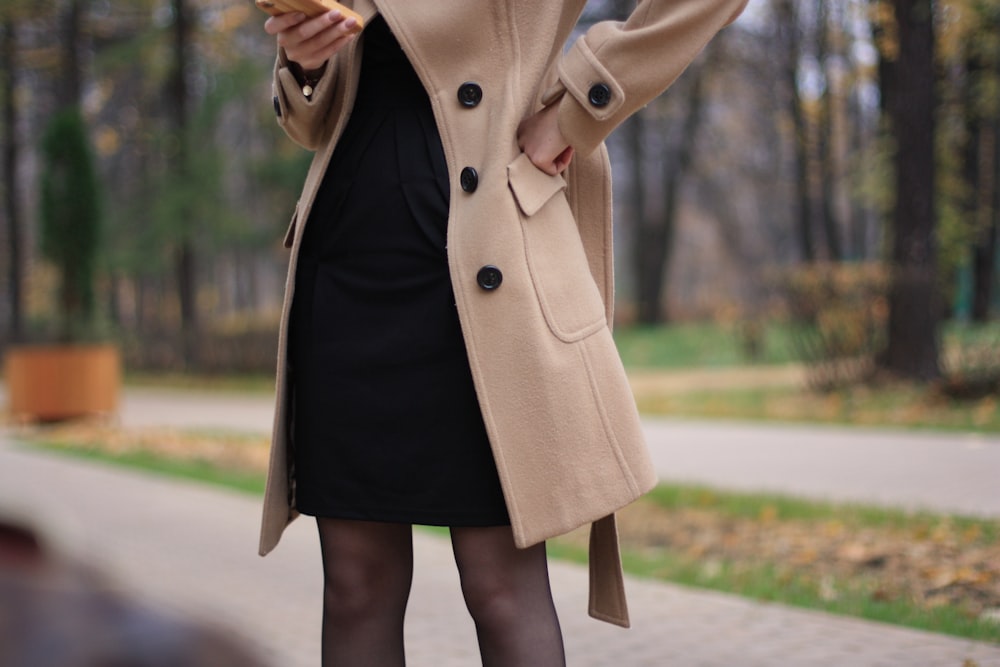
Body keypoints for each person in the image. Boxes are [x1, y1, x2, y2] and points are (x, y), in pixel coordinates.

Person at [258, 2, 747, 665]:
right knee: (354, 586)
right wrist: (307, 60)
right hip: (348, 264)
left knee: (499, 588)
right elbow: (315, 120)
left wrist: (584, 98)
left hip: (480, 274)